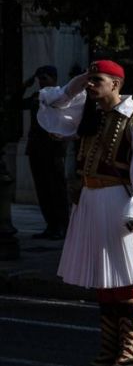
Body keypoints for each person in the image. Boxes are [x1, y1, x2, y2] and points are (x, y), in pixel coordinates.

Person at [37, 60, 133, 366]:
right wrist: (75, 83)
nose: (91, 85)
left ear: (116, 84)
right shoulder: (90, 115)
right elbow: (50, 106)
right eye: (89, 80)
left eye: (97, 80)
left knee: (125, 282)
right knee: (103, 283)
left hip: (117, 202)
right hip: (90, 201)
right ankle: (108, 352)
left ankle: (128, 353)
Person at [19, 65, 70, 239]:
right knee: (42, 189)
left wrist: (64, 142)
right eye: (40, 78)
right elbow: (15, 104)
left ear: (54, 79)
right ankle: (51, 225)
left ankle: (63, 226)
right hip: (36, 148)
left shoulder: (61, 96)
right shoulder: (36, 96)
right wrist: (24, 86)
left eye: (45, 78)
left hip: (54, 149)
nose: (41, 82)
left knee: (57, 189)